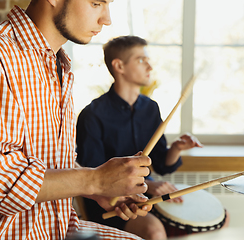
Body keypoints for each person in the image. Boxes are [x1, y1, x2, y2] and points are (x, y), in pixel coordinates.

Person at [0, 1, 154, 239]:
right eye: (96, 3)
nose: (106, 19)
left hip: (56, 228)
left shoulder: (59, 64)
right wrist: (94, 180)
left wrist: (100, 189)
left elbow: (49, 162)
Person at [76, 35, 203, 240]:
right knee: (153, 231)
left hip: (146, 195)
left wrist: (177, 148)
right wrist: (150, 185)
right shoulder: (92, 114)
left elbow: (162, 164)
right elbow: (95, 176)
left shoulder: (150, 108)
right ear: (119, 66)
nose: (149, 67)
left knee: (218, 218)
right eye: (141, 60)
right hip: (113, 202)